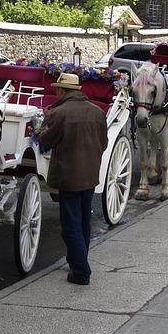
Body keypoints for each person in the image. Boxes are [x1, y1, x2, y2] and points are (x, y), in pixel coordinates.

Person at [39, 73, 107, 286]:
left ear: (62, 91)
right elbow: (103, 143)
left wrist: (45, 121)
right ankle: (78, 261)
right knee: (83, 222)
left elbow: (46, 141)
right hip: (90, 175)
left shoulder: (59, 113)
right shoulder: (97, 112)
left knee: (71, 226)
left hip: (69, 176)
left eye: (57, 89)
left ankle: (81, 271)